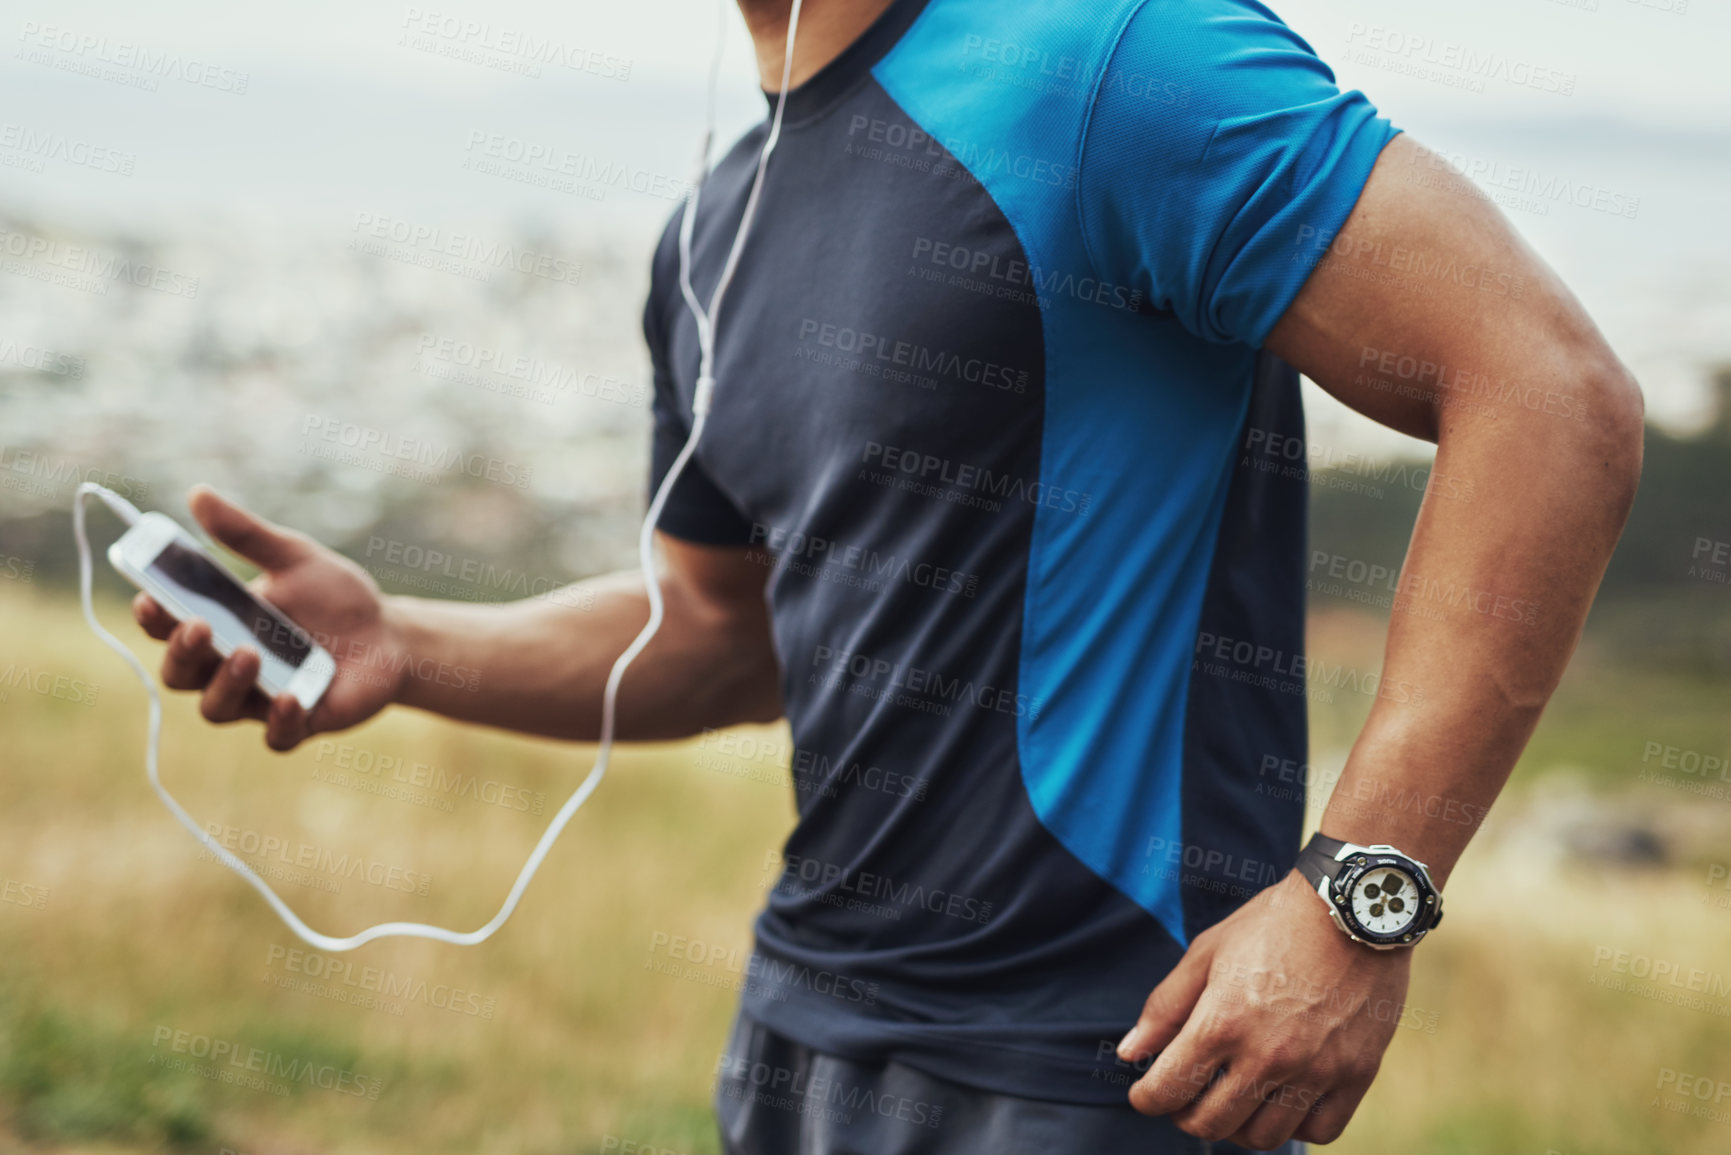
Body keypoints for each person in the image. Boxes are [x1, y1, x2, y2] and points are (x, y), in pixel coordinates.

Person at [130, 0, 1644, 1150]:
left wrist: (1353, 903)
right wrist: (402, 640)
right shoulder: (717, 227)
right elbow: (723, 630)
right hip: (800, 1039)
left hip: (1106, 1060)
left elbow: (1545, 392)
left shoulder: (1115, 55)